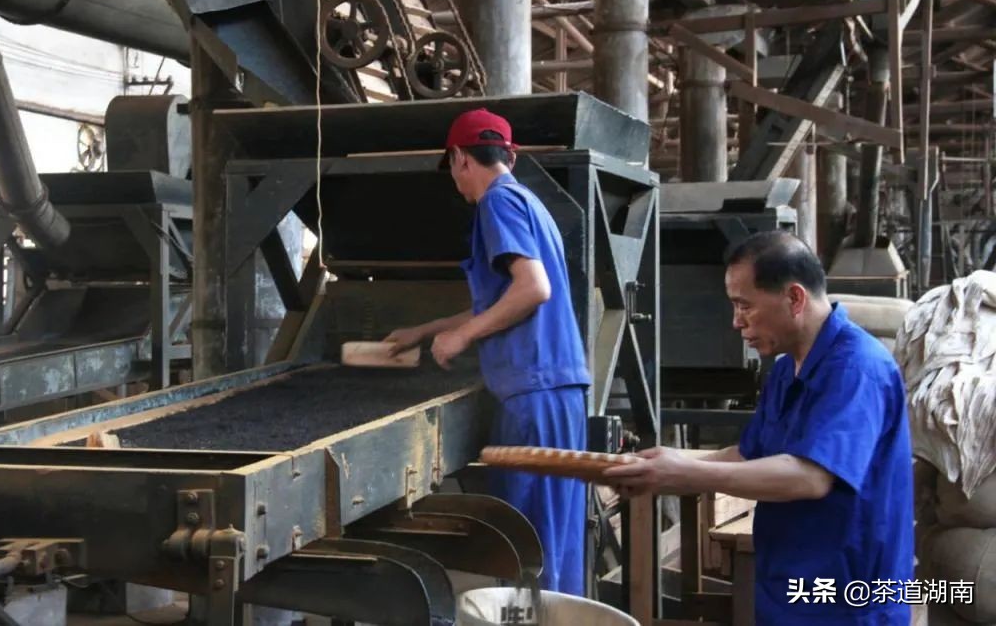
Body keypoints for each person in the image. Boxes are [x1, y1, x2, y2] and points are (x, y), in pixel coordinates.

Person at [604, 230, 914, 625]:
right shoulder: (788, 368)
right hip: (789, 594)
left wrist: (685, 470)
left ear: (794, 298)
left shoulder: (857, 369)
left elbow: (810, 477)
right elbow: (750, 454)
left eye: (744, 306)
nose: (736, 322)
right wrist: (665, 468)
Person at [385, 108, 591, 596]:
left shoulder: (496, 204)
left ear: (459, 158)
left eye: (453, 167)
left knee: (524, 550)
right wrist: (427, 329)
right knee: (554, 542)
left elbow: (532, 289)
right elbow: (504, 298)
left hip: (533, 397)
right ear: (511, 156)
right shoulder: (529, 203)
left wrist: (463, 338)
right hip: (555, 392)